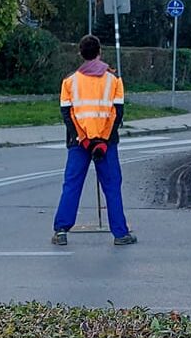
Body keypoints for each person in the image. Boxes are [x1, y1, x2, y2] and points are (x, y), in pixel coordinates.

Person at [52, 35, 136, 246]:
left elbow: (67, 114)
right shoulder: (114, 80)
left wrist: (84, 139)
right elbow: (117, 113)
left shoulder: (69, 82)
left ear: (80, 54)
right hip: (106, 143)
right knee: (112, 186)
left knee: (72, 184)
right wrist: (102, 141)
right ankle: (120, 233)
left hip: (79, 143)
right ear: (100, 52)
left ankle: (61, 231)